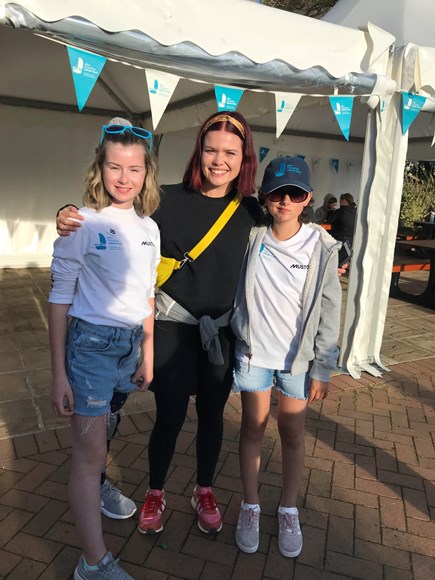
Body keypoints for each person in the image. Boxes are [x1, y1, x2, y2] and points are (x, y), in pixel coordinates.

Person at [55, 111, 264, 535]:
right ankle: (156, 490)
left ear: (245, 159)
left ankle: (204, 488)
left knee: (211, 416)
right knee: (168, 416)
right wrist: (65, 214)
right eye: (210, 150)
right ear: (198, 152)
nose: (218, 160)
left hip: (219, 336)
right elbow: (116, 216)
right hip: (171, 329)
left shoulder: (252, 212)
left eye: (230, 152)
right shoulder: (164, 201)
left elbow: (288, 234)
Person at [49, 119, 160, 579]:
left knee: (104, 433)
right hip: (90, 349)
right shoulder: (81, 222)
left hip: (128, 349)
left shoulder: (150, 228)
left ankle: (95, 485)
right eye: (115, 166)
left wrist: (148, 353)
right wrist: (58, 373)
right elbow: (59, 298)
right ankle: (92, 564)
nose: (124, 177)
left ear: (146, 173)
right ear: (100, 168)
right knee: (89, 452)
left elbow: (147, 295)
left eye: (134, 168)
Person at [230, 156, 341, 558]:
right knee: (252, 430)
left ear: (308, 197)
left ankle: (289, 508)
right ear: (265, 196)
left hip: (297, 361)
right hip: (254, 354)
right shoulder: (252, 235)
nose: (286, 201)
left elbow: (330, 309)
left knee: (292, 432)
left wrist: (323, 368)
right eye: (278, 193)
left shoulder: (322, 247)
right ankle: (250, 504)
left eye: (295, 193)